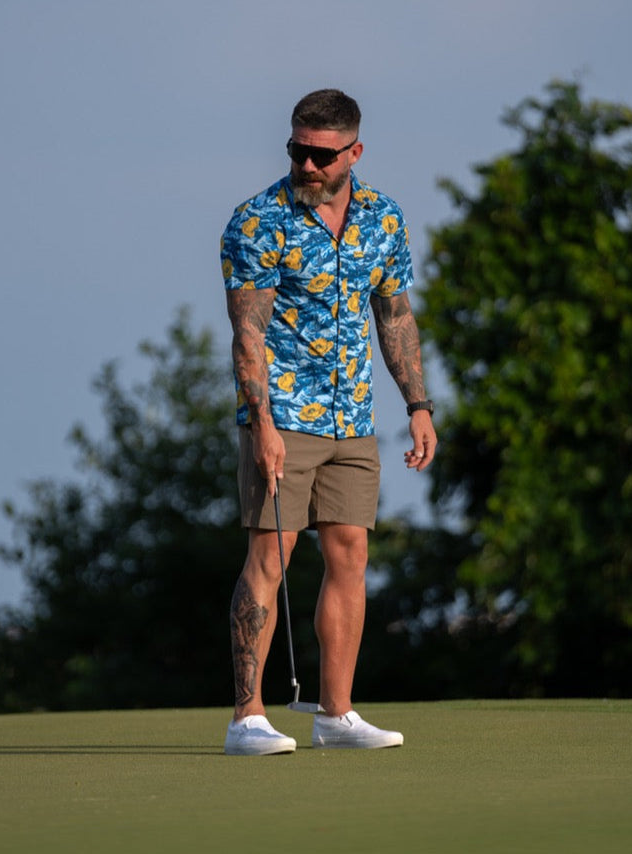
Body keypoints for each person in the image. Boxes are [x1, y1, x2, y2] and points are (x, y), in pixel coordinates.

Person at [220, 89, 437, 755]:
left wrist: (418, 405)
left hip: (353, 418)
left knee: (350, 556)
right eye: (297, 151)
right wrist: (261, 425)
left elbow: (394, 316)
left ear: (353, 152)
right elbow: (247, 334)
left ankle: (335, 716)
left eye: (320, 155)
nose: (307, 166)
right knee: (270, 556)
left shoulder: (383, 217)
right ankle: (247, 718)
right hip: (283, 415)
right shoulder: (257, 221)